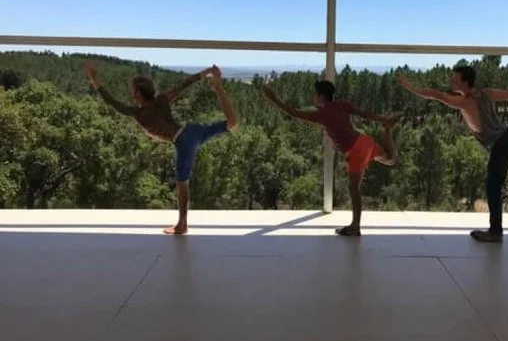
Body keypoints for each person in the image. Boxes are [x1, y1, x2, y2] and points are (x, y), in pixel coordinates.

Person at [398, 65, 508, 243]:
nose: (451, 81)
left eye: (455, 79)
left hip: (500, 145)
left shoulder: (464, 102)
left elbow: (437, 95)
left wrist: (412, 88)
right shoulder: (486, 93)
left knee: (493, 186)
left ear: (465, 82)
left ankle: (495, 231)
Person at [84, 61, 238, 235]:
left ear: (137, 93)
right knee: (231, 123)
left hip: (183, 141)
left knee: (182, 183)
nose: (131, 92)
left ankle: (182, 225)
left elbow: (110, 101)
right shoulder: (162, 100)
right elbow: (183, 85)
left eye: (132, 90)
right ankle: (218, 88)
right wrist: (207, 72)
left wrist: (93, 78)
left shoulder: (138, 113)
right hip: (191, 132)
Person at [261, 80, 400, 236]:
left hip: (356, 150)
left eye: (315, 93)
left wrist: (274, 99)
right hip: (364, 141)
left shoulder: (322, 114)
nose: (313, 96)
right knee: (390, 159)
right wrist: (385, 120)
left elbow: (293, 112)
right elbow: (365, 114)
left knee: (354, 188)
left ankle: (355, 226)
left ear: (321, 96)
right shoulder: (342, 104)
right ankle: (388, 129)